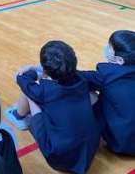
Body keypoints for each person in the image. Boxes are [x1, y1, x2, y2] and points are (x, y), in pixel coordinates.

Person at [6, 40, 100, 174]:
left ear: (45, 70)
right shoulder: (81, 79)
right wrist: (40, 69)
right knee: (91, 95)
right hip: (90, 149)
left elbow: (20, 78)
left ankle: (18, 116)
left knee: (30, 91)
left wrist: (33, 71)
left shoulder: (44, 90)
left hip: (60, 159)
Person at [78, 30, 135, 156]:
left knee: (87, 92)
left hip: (121, 144)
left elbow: (79, 77)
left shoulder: (106, 74)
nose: (106, 48)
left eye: (109, 47)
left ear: (119, 60)